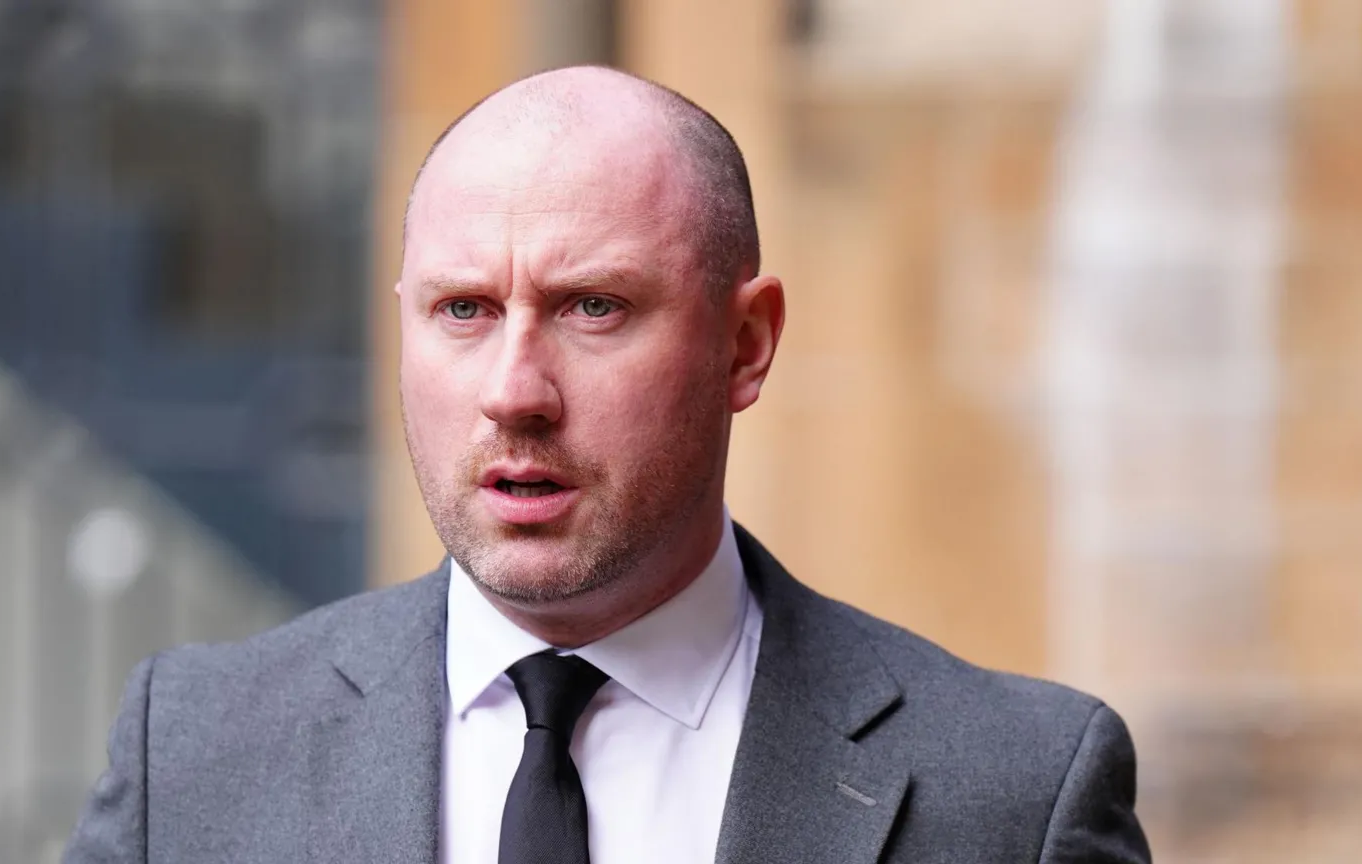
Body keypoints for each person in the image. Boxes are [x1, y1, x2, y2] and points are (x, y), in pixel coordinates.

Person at [63, 65, 1150, 864]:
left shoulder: (1017, 795)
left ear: (746, 346)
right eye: (463, 310)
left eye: (594, 307)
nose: (513, 392)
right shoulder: (195, 755)